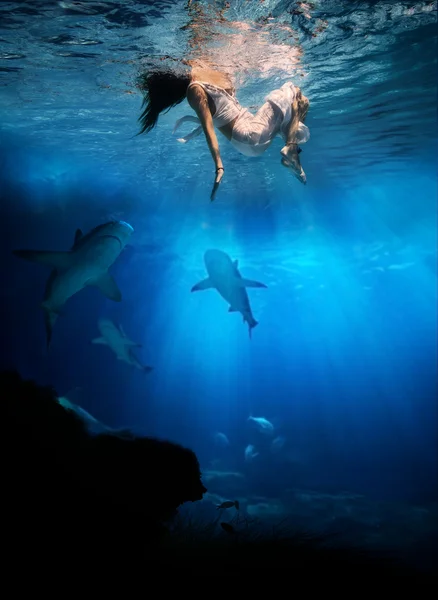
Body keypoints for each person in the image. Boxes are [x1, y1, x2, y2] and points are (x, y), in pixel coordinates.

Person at [137, 62, 310, 201]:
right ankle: (292, 150)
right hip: (248, 135)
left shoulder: (197, 82)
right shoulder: (194, 90)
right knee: (293, 92)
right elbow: (208, 129)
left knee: (301, 102)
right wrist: (219, 166)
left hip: (249, 137)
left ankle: (292, 157)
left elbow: (222, 115)